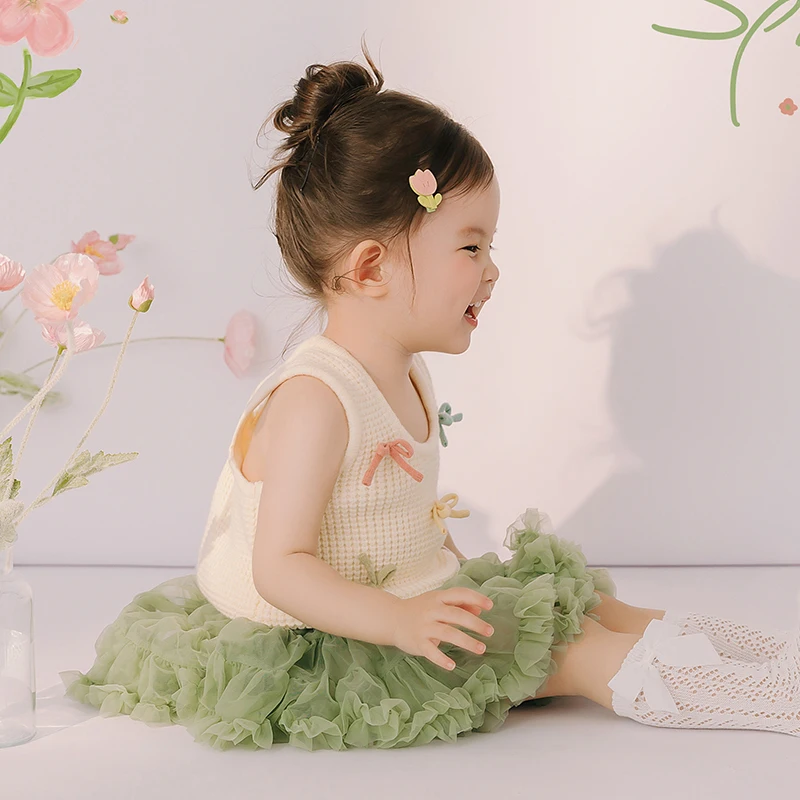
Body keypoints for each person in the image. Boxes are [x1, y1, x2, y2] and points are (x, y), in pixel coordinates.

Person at [59, 37, 800, 751]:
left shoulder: (406, 370)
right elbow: (278, 568)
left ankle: (770, 662)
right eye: (472, 246)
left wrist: (453, 577)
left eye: (491, 247)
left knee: (580, 602)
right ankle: (765, 701)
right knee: (564, 649)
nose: (492, 270)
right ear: (373, 268)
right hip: (331, 632)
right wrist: (397, 622)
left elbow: (405, 516)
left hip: (398, 594)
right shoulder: (315, 400)